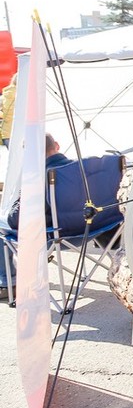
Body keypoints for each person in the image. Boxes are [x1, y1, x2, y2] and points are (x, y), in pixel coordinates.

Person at [0, 134, 74, 299]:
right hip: (87, 231)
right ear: (57, 145)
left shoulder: (40, 178)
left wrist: (21, 194)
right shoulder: (79, 168)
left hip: (53, 234)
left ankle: (8, 282)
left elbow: (14, 219)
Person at [0, 73, 17, 147]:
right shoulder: (25, 95)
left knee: (14, 157)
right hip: (22, 132)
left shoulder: (4, 96)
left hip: (7, 134)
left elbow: (2, 114)